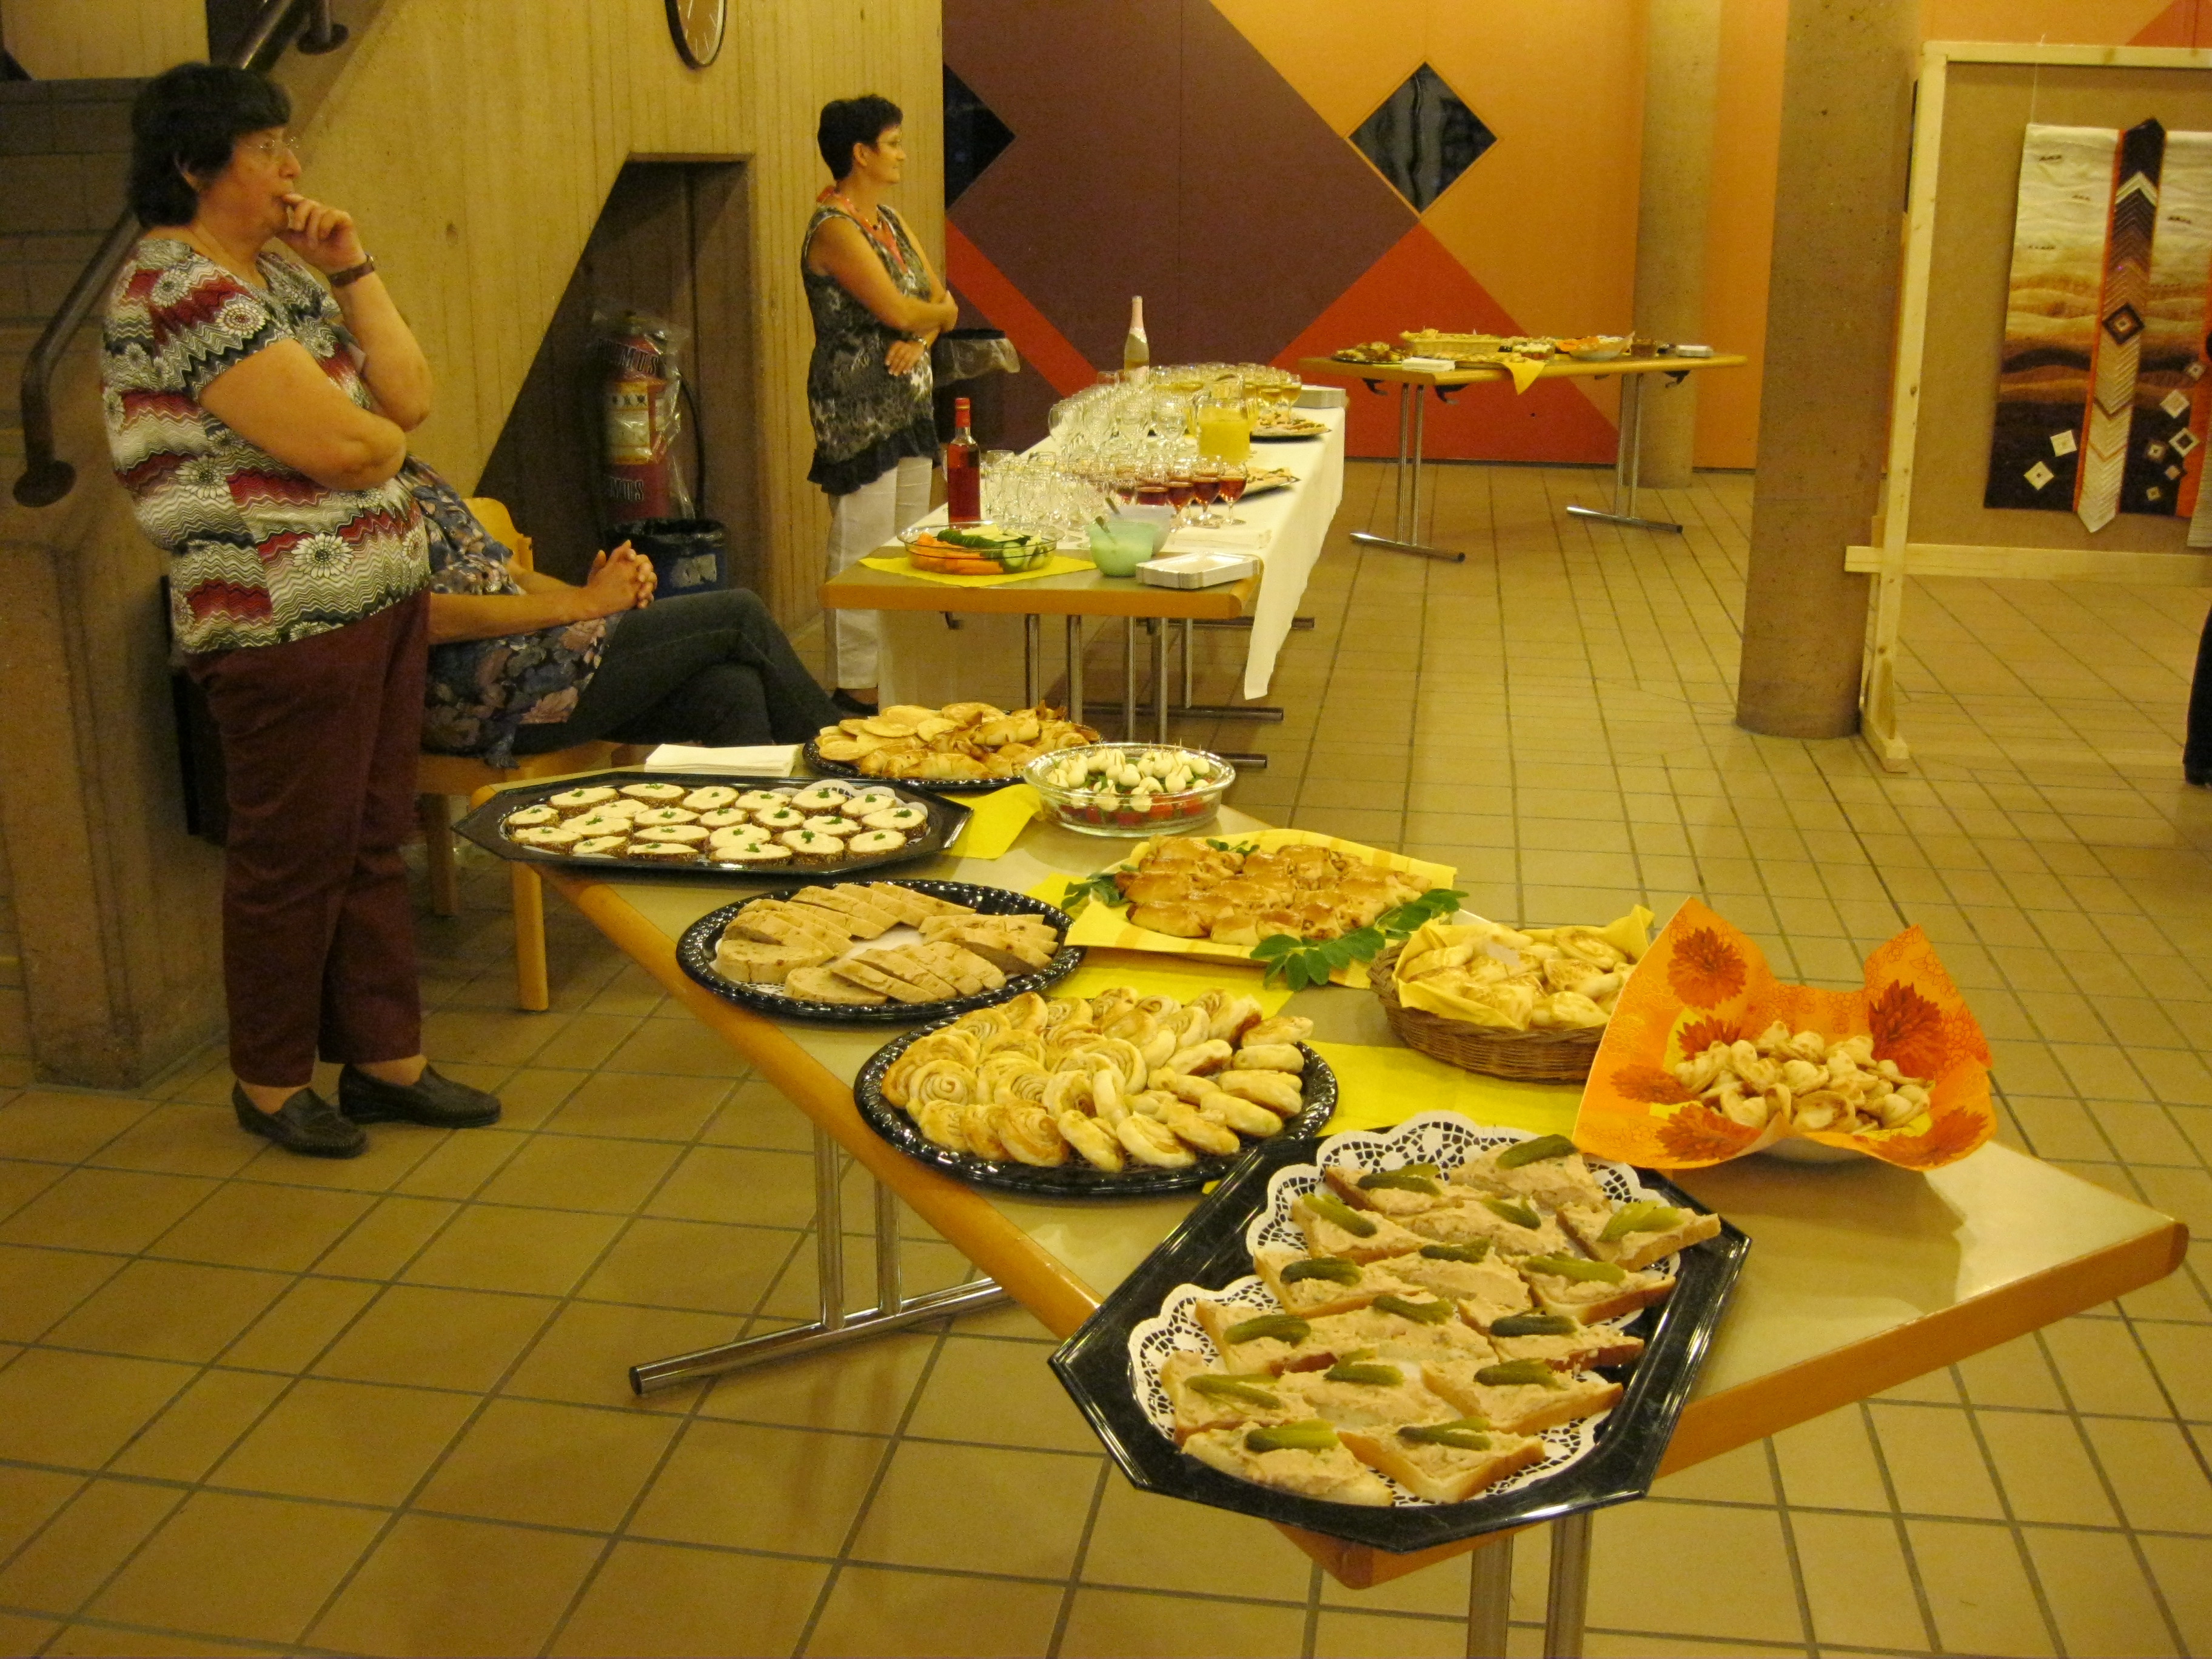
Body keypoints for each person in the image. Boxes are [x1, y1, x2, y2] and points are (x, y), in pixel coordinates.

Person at [102, 62, 500, 1159]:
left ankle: (385, 1060)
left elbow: (406, 400)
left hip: (377, 596)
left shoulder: (277, 272)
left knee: (372, 840)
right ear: (195, 164)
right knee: (291, 859)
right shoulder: (176, 287)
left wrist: (353, 267)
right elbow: (350, 446)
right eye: (267, 146)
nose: (293, 167)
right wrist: (373, 444)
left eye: (289, 142)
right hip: (279, 618)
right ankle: (271, 1080)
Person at [407, 461, 841, 762]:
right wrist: (587, 604)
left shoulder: (416, 473)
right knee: (738, 613)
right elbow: (427, 619)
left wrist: (600, 596)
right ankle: (849, 768)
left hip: (536, 656)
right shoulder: (370, 501)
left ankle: (760, 845)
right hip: (474, 699)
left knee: (732, 689)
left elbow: (516, 575)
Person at [804, 94, 959, 715]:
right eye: (892, 144)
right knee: (861, 547)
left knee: (903, 547)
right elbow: (898, 308)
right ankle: (854, 687)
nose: (902, 154)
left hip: (909, 404)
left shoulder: (889, 221)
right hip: (858, 409)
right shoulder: (834, 228)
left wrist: (922, 336)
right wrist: (923, 320)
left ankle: (894, 675)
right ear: (860, 154)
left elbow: (945, 306)